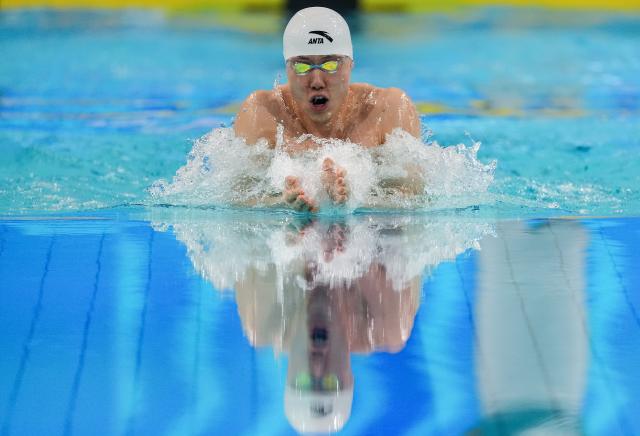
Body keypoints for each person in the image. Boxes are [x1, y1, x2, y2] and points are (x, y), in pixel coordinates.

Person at [233, 6, 421, 212]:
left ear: (351, 65)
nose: (316, 81)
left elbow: (413, 202)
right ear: (286, 68)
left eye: (330, 64)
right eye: (302, 66)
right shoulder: (262, 112)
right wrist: (284, 203)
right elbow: (236, 202)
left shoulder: (388, 109)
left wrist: (355, 200)